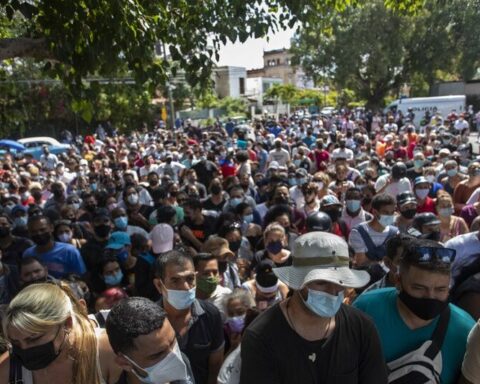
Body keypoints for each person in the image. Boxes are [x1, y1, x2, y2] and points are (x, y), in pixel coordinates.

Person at [240, 232, 387, 383]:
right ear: (298, 282)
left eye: (340, 282)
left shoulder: (361, 328)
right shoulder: (261, 337)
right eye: (321, 283)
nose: (333, 291)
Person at [354, 238, 475, 384]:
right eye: (419, 288)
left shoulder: (466, 329)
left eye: (440, 289)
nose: (430, 297)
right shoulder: (366, 308)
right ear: (398, 281)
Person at [0, 282, 121, 383]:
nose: (25, 349)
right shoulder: (8, 371)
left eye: (34, 339)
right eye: (16, 342)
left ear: (67, 323)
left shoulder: (109, 352)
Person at [153, 250, 224, 384]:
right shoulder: (149, 320)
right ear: (159, 285)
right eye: (175, 280)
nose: (185, 287)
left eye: (190, 279)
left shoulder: (211, 315)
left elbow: (215, 365)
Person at [105, 296, 195, 384]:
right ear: (125, 363)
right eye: (158, 354)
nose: (175, 357)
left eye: (173, 342)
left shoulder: (183, 360)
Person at [23, 215, 86, 279]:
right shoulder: (28, 254)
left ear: (51, 228)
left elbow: (81, 276)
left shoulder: (69, 251)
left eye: (42, 229)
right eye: (33, 231)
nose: (38, 234)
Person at [349, 193, 399, 268]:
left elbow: (396, 261)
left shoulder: (395, 233)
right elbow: (361, 263)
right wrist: (386, 263)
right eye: (386, 212)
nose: (389, 216)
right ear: (375, 212)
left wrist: (370, 260)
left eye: (392, 213)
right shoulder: (358, 232)